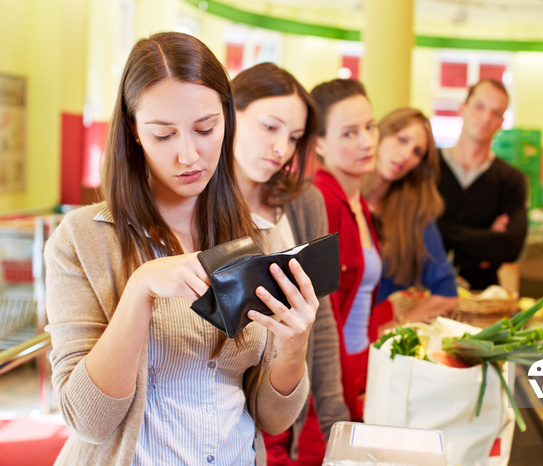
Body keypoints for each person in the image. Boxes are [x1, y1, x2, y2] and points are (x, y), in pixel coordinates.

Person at [44, 32, 317, 465]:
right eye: (164, 135)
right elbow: (89, 421)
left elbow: (272, 418)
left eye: (206, 129)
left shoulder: (262, 238)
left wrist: (296, 344)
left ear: (227, 120)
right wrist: (139, 289)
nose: (189, 155)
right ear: (133, 131)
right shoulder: (84, 238)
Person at [230, 62, 349, 465]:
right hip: (221, 413)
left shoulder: (303, 201)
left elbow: (324, 315)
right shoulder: (196, 204)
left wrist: (336, 422)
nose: (282, 147)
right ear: (228, 113)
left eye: (294, 137)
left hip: (284, 401)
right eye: (270, 127)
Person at [310, 78, 381, 422]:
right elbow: (321, 314)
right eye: (349, 133)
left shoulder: (358, 202)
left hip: (362, 363)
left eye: (370, 127)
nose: (367, 142)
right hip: (336, 375)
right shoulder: (322, 201)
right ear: (319, 143)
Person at [362, 107, 458, 332]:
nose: (405, 155)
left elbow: (447, 294)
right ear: (380, 133)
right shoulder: (341, 197)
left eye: (417, 152)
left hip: (368, 343)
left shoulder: (415, 216)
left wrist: (390, 331)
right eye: (401, 139)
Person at [436, 79, 528, 291]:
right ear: (462, 108)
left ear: (502, 122)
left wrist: (441, 231)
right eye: (479, 107)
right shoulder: (430, 168)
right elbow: (417, 231)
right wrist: (487, 241)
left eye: (496, 113)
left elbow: (511, 247)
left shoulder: (511, 179)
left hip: (482, 297)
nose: (486, 117)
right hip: (422, 292)